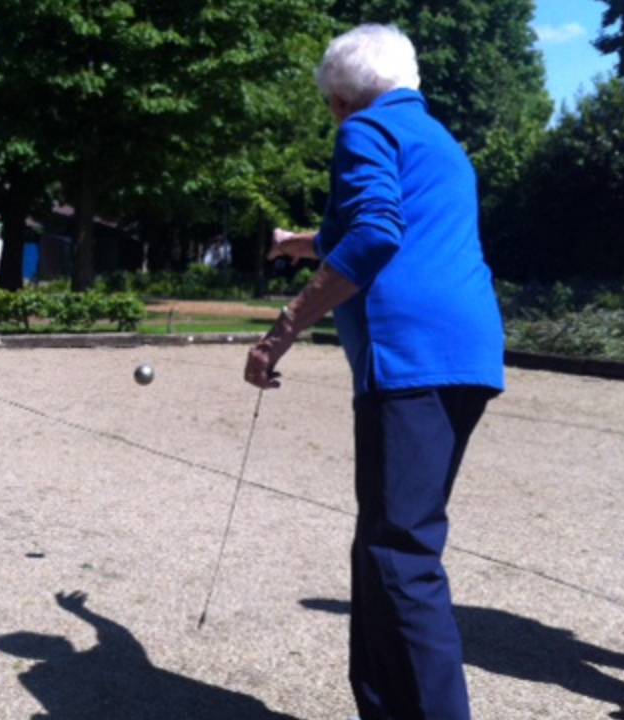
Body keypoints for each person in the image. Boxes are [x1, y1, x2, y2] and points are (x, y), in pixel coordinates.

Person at [243, 25, 505, 720]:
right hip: (468, 355)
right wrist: (295, 244)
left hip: (410, 359)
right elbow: (370, 225)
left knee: (401, 555)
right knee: (383, 544)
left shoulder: (362, 132)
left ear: (341, 98)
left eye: (330, 103)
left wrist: (282, 331)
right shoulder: (439, 144)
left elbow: (375, 232)